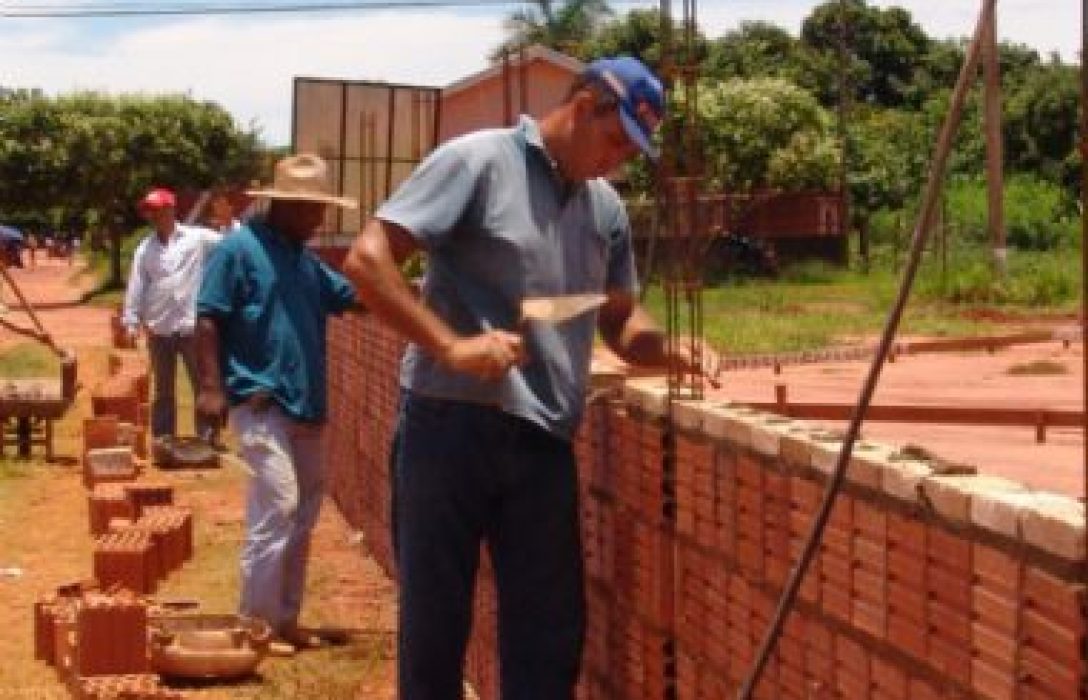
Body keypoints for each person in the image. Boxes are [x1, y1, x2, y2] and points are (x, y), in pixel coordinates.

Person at [344, 56, 718, 698]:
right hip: (448, 427)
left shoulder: (605, 210)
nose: (618, 160)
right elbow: (367, 259)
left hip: (542, 439)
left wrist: (668, 347)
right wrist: (452, 346)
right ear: (585, 106)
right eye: (615, 140)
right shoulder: (478, 162)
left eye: (631, 151)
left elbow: (621, 326)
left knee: (549, 635)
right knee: (435, 626)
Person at [194, 154, 358, 656]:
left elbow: (356, 297)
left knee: (304, 515)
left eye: (321, 210)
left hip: (307, 405)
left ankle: (286, 620)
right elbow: (207, 318)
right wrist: (210, 387)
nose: (318, 220)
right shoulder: (238, 249)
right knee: (279, 506)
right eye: (310, 209)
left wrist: (429, 292)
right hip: (261, 401)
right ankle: (256, 624)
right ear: (283, 203)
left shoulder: (305, 263)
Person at [121, 187, 222, 446]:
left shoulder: (196, 238)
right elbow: (137, 284)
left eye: (157, 210)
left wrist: (230, 221)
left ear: (170, 209)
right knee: (164, 389)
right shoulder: (145, 248)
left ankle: (208, 436)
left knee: (201, 384)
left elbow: (230, 243)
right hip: (160, 327)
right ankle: (163, 437)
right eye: (149, 211)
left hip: (191, 326)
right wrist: (131, 320)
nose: (153, 216)